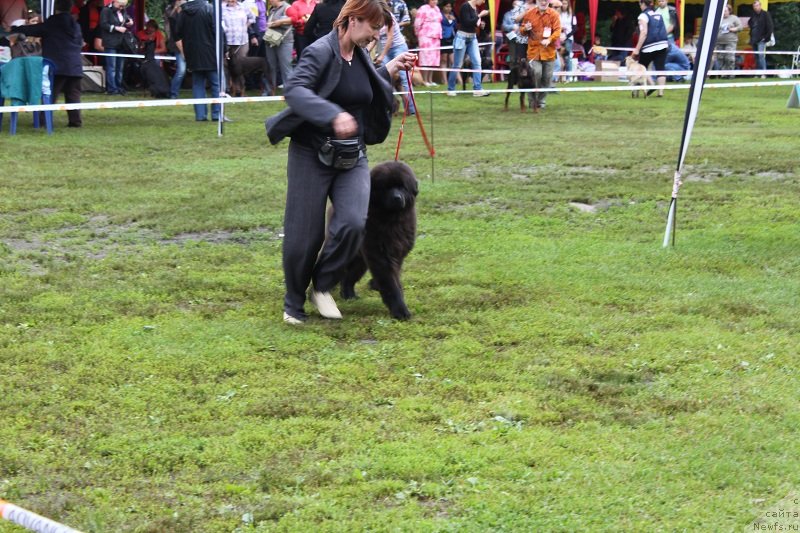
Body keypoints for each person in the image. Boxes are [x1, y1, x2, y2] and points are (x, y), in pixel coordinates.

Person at [265, 0, 416, 324]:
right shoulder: (321, 52)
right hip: (311, 153)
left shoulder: (359, 54)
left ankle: (322, 285)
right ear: (354, 19)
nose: (376, 36)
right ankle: (294, 302)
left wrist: (390, 68)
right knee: (304, 236)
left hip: (352, 154)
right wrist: (332, 114)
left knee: (353, 222)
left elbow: (358, 85)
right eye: (374, 27)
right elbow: (295, 90)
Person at [12, 0, 84, 127]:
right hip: (75, 63)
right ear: (70, 8)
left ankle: (43, 120)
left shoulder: (53, 22)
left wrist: (15, 29)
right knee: (73, 94)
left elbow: (35, 29)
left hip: (57, 64)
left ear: (56, 7)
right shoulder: (76, 24)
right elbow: (80, 42)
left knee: (50, 93)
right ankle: (75, 121)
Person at [175, 0, 227, 121]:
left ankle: (200, 115)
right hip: (211, 53)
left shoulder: (183, 12)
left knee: (198, 84)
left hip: (192, 54)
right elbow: (218, 31)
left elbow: (177, 33)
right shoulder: (209, 9)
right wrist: (224, 49)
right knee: (217, 85)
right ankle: (217, 114)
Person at [520, 0, 559, 110]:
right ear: (537, 1)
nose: (543, 2)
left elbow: (558, 31)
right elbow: (521, 30)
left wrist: (550, 39)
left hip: (549, 52)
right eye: (541, 0)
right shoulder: (529, 13)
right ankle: (532, 100)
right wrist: (525, 29)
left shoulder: (554, 14)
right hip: (534, 52)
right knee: (536, 74)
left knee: (547, 78)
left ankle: (541, 101)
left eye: (545, 0)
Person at [445, 0, 490, 97]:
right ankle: (451, 88)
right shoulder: (465, 6)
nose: (483, 2)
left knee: (477, 62)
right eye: (482, 0)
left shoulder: (475, 8)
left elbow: (473, 23)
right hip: (462, 37)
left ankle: (477, 89)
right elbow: (467, 22)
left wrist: (480, 24)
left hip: (472, 38)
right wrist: (480, 15)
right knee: (457, 64)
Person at [373, 14, 415, 113]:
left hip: (398, 46)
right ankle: (388, 108)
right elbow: (375, 38)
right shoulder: (374, 17)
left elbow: (390, 38)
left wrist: (382, 55)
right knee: (383, 79)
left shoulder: (389, 17)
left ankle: (411, 110)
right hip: (384, 48)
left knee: (403, 78)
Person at [631, 0, 668, 97]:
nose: (640, 6)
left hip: (649, 45)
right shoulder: (658, 14)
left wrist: (637, 49)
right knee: (660, 68)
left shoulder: (643, 16)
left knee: (642, 67)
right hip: (663, 44)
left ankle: (651, 85)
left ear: (643, 4)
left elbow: (644, 33)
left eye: (640, 4)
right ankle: (660, 93)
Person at [100, 0, 133, 95]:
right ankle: (112, 89)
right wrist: (116, 28)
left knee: (120, 68)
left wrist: (129, 21)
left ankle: (119, 87)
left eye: (123, 6)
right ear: (114, 2)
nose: (121, 7)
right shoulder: (106, 10)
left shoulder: (123, 11)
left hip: (121, 43)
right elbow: (103, 24)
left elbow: (126, 18)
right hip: (110, 43)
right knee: (112, 67)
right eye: (120, 5)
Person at [222, 0, 254, 96]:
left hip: (242, 42)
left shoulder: (244, 7)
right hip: (227, 42)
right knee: (225, 66)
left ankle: (240, 90)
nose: (232, 0)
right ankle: (227, 89)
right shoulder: (221, 8)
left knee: (239, 67)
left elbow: (252, 18)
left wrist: (245, 27)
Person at [264, 0, 294, 94]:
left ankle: (290, 91)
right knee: (270, 66)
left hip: (285, 41)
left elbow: (294, 18)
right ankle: (269, 90)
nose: (270, 1)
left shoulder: (287, 7)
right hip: (271, 39)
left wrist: (279, 22)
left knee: (286, 67)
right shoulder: (272, 9)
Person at [413, 0, 441, 86]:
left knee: (434, 59)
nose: (435, 1)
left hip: (436, 36)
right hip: (426, 36)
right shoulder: (423, 8)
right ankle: (424, 80)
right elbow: (417, 23)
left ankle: (430, 79)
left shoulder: (437, 9)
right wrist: (418, 34)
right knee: (426, 58)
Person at [165, 0, 187, 97]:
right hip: (177, 45)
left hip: (189, 44)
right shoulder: (170, 12)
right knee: (181, 71)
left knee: (183, 71)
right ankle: (173, 93)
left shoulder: (188, 12)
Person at [747, 0, 772, 78]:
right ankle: (758, 73)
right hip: (754, 39)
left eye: (757, 5)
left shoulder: (765, 14)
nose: (756, 7)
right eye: (754, 6)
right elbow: (750, 24)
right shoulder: (753, 15)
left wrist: (766, 38)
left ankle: (764, 73)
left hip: (762, 39)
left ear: (760, 6)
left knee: (761, 55)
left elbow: (770, 27)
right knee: (756, 56)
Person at [715, 4, 741, 78]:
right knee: (720, 58)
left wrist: (733, 29)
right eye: (723, 11)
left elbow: (740, 27)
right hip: (719, 42)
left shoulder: (734, 18)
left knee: (729, 57)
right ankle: (723, 74)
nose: (724, 12)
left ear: (729, 11)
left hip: (731, 41)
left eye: (725, 11)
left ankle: (731, 73)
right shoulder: (719, 19)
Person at [558, 0, 575, 81]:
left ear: (568, 5)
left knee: (568, 58)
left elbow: (575, 28)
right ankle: (557, 77)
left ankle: (568, 77)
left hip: (568, 38)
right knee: (558, 57)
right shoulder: (558, 14)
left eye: (565, 4)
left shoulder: (572, 15)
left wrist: (566, 36)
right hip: (558, 38)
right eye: (563, 3)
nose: (564, 5)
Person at [439, 0, 456, 84]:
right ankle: (444, 81)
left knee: (453, 61)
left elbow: (455, 26)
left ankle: (457, 80)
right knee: (444, 60)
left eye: (450, 7)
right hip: (443, 38)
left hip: (452, 39)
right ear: (443, 7)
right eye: (447, 6)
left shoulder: (452, 15)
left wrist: (454, 20)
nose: (448, 8)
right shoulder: (440, 15)